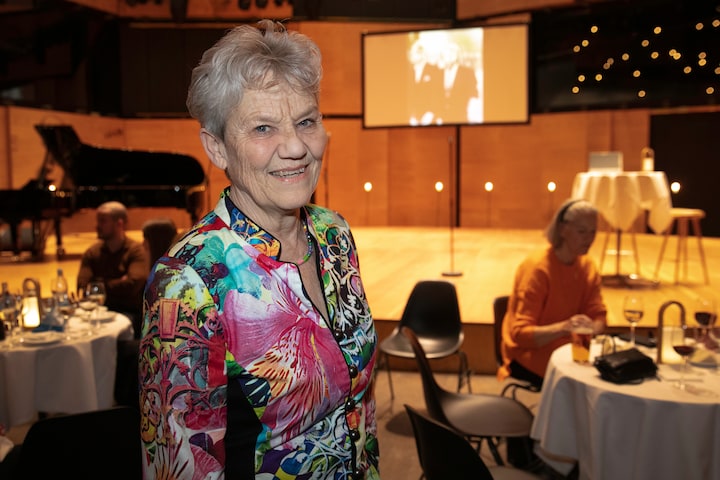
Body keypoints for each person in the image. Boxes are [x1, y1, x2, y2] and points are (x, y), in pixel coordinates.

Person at [139, 20, 380, 479]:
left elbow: (361, 407)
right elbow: (178, 467)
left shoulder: (334, 235)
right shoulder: (188, 281)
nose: (295, 147)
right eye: (263, 128)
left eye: (306, 121)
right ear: (217, 148)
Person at [498, 199, 607, 390]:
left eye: (593, 232)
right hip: (529, 353)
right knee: (584, 382)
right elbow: (521, 335)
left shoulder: (588, 266)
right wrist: (565, 328)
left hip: (570, 347)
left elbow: (599, 316)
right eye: (582, 231)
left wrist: (593, 327)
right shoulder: (538, 269)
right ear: (563, 229)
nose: (589, 239)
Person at [76, 200, 149, 335]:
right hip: (97, 312)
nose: (97, 226)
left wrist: (98, 284)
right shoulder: (92, 253)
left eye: (103, 221)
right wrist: (119, 282)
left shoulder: (136, 251)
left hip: (128, 313)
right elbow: (82, 286)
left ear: (119, 224)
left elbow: (133, 285)